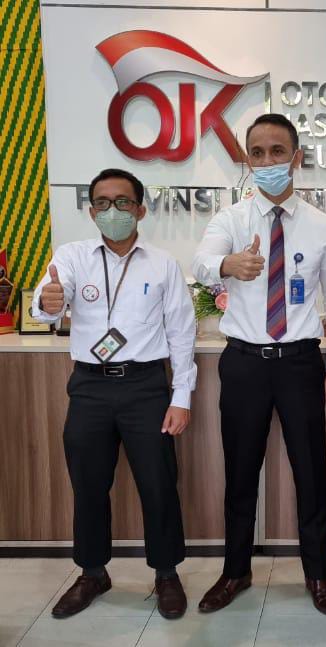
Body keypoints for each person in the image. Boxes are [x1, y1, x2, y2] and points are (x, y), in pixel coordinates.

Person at [192, 113, 326, 615]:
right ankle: (235, 572)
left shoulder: (322, 226)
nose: (267, 161)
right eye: (257, 152)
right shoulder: (231, 220)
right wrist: (227, 265)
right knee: (241, 473)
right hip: (244, 363)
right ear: (247, 159)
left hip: (300, 363)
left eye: (277, 151)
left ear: (296, 157)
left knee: (312, 472)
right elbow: (200, 262)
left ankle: (318, 574)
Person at [32, 168, 196, 620]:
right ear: (92, 212)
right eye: (102, 203)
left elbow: (181, 333)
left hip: (146, 387)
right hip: (89, 386)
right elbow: (50, 299)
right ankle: (92, 573)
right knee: (88, 484)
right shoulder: (72, 256)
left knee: (158, 484)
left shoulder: (162, 264)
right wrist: (46, 303)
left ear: (140, 210)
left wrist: (181, 396)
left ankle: (166, 573)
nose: (112, 210)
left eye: (123, 202)